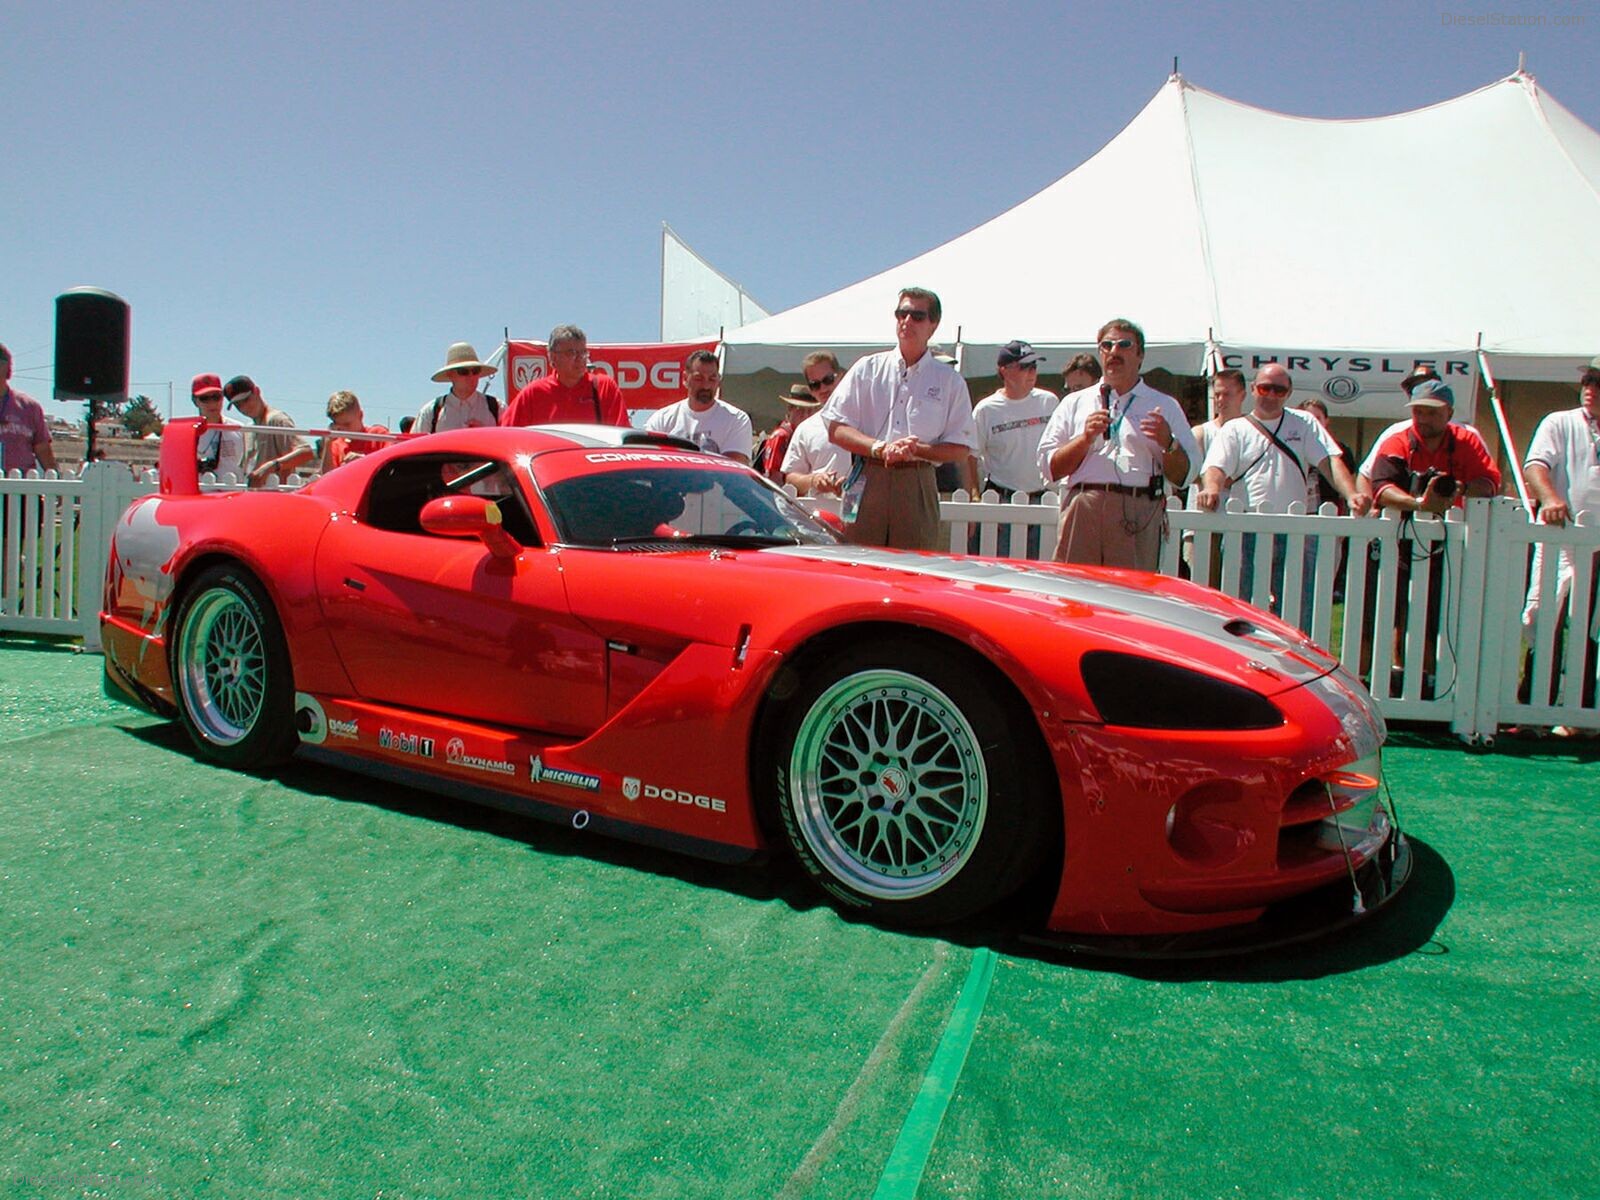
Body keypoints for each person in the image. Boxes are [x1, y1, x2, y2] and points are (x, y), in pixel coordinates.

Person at [1197, 364, 1369, 625]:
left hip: (1295, 532)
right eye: (1265, 388)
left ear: (1288, 393)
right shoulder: (1235, 428)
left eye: (1279, 389)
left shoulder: (1305, 423)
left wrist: (1351, 494)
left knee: (1296, 614)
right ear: (1254, 389)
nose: (1271, 394)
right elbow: (1216, 467)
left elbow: (1329, 462)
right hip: (1246, 530)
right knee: (1242, 610)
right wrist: (1212, 488)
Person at [817, 288, 977, 550]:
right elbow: (836, 428)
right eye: (901, 313)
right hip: (868, 475)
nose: (907, 321)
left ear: (933, 325)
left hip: (918, 479)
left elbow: (960, 449)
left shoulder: (949, 380)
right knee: (861, 562)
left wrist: (916, 449)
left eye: (917, 316)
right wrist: (879, 448)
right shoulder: (867, 368)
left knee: (914, 567)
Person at [1369, 380, 1502, 694]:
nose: (1423, 419)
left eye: (1431, 412)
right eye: (1418, 411)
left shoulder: (1466, 441)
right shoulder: (1398, 441)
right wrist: (1419, 504)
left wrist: (1459, 488)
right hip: (1398, 540)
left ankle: (1430, 680)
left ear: (1449, 413)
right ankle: (1395, 678)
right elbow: (1381, 488)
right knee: (1393, 611)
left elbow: (1489, 482)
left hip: (1448, 543)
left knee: (1439, 614)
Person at [1036, 318, 1198, 570]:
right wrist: (1084, 439)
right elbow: (1049, 469)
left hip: (1137, 511)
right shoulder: (1075, 403)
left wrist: (1168, 443)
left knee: (1130, 600)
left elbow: (1186, 475)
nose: (1114, 352)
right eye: (1107, 345)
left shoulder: (1164, 405)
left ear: (1140, 354)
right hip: (1084, 507)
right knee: (1076, 595)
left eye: (1124, 345)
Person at [1519, 356, 1600, 722]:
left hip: (1597, 543)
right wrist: (1551, 498)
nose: (1590, 388)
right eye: (1589, 379)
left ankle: (1580, 715)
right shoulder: (1559, 422)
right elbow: (1536, 465)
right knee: (1543, 617)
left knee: (1590, 627)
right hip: (1561, 539)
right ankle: (1533, 709)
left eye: (1598, 382)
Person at [968, 340, 1059, 558]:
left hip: (1044, 501)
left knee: (1042, 576)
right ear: (1004, 370)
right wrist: (975, 497)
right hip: (1001, 501)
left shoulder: (1049, 402)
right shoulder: (986, 410)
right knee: (998, 572)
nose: (1031, 373)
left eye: (1034, 367)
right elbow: (970, 455)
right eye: (1024, 367)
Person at [500, 324, 628, 428]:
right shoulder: (533, 394)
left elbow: (622, 436)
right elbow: (507, 434)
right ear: (553, 357)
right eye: (571, 353)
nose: (580, 358)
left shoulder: (604, 388)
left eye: (583, 352)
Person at [644, 350, 753, 463]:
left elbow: (733, 468)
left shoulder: (736, 419)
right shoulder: (661, 420)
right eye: (699, 378)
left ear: (719, 381)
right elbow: (650, 463)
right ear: (685, 379)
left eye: (712, 379)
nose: (706, 386)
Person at [223, 375, 313, 487]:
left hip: (276, 496)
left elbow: (306, 452)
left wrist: (271, 466)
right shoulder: (249, 429)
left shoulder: (277, 420)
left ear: (257, 391)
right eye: (238, 405)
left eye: (246, 400)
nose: (244, 407)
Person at [781, 353, 850, 495]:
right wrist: (814, 480)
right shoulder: (805, 429)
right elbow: (791, 477)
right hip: (818, 512)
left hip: (863, 512)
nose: (823, 388)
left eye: (828, 380)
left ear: (841, 377)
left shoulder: (867, 418)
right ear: (811, 390)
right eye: (815, 385)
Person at [416, 343, 500, 433]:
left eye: (475, 371)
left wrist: (485, 434)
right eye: (463, 371)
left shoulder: (497, 408)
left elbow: (512, 443)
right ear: (450, 374)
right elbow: (415, 445)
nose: (471, 376)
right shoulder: (431, 412)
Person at [0, 343, 57, 475]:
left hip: (21, 488)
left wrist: (57, 488)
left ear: (8, 368)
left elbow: (43, 450)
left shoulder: (29, 407)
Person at [754, 384, 821, 483]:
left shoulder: (809, 437)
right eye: (800, 409)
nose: (805, 415)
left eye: (810, 410)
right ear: (790, 408)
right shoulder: (781, 436)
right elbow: (773, 477)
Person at [191, 372, 244, 479]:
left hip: (231, 491)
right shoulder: (187, 431)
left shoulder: (239, 428)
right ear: (195, 401)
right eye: (204, 398)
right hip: (198, 493)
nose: (212, 403)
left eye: (216, 397)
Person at [320, 391, 390, 471]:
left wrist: (364, 460)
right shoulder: (336, 445)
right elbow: (327, 477)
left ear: (360, 416)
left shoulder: (378, 435)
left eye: (347, 424)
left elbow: (391, 463)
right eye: (338, 426)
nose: (344, 430)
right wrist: (328, 443)